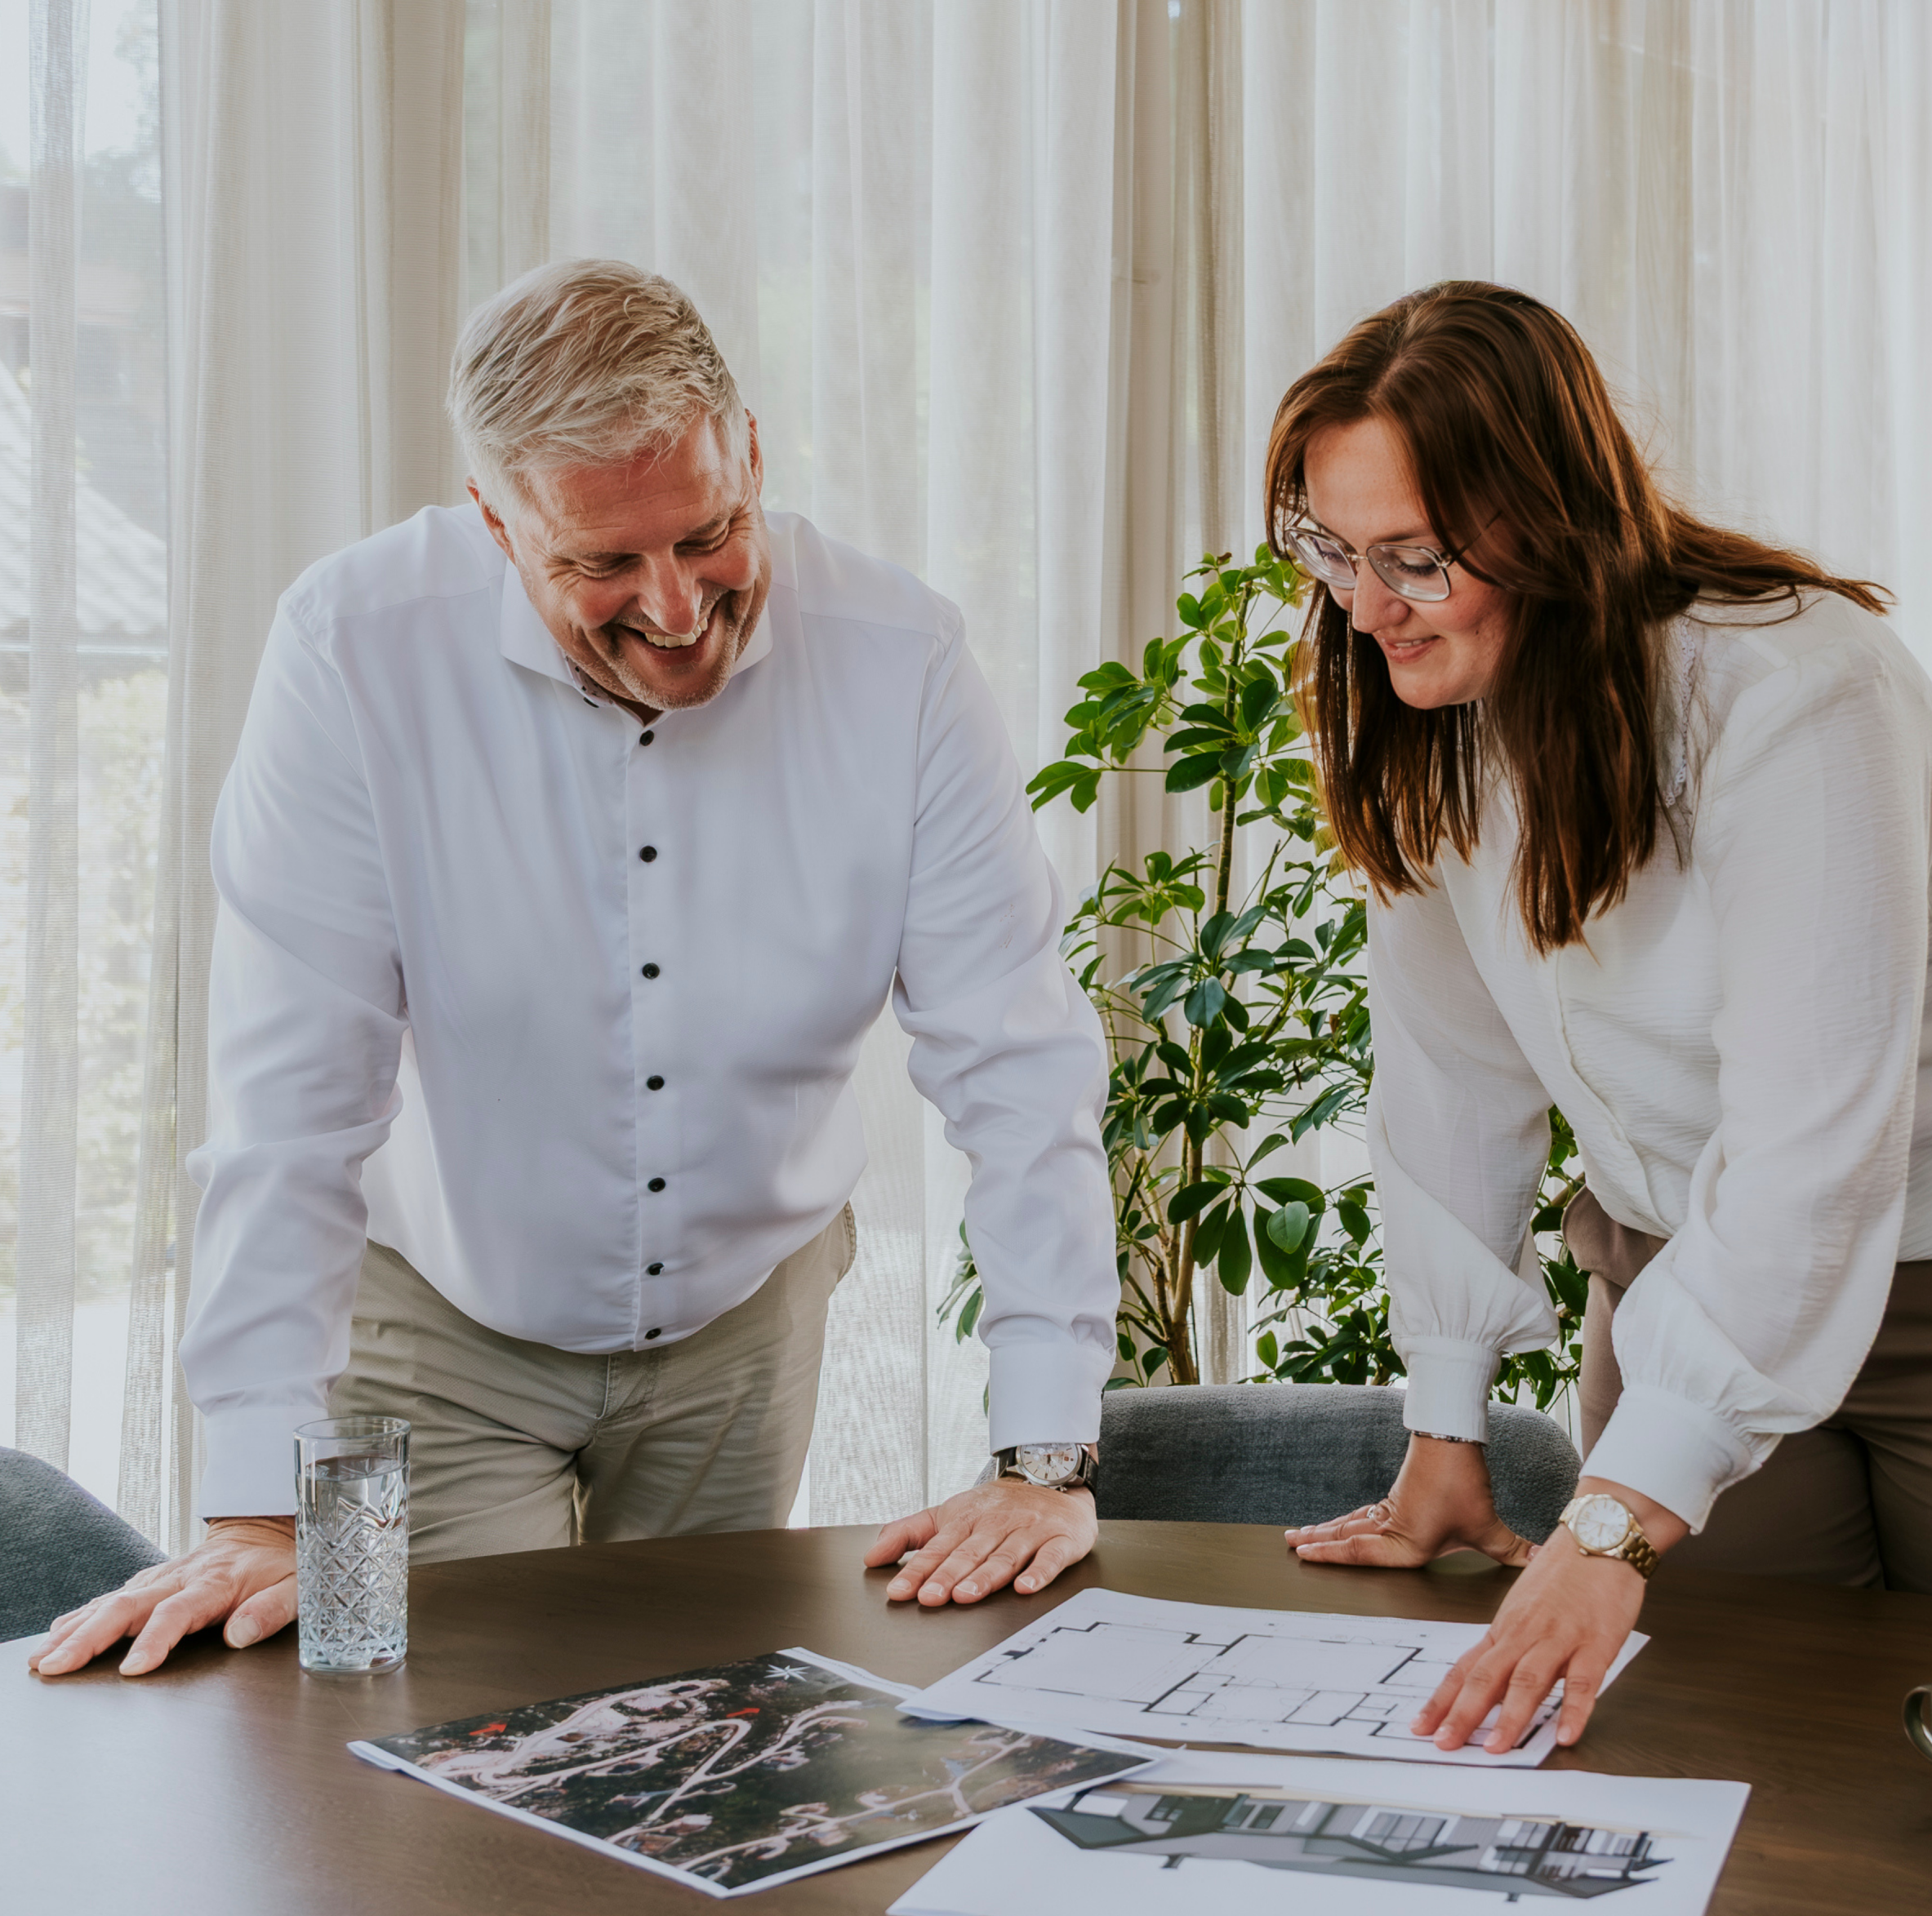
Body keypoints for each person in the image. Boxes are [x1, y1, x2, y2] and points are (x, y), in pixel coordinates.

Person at [32, 260, 1119, 1682]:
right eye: (602, 564)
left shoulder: (900, 658)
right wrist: (254, 1506)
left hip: (748, 1314)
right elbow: (291, 1106)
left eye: (711, 533)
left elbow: (1016, 1058)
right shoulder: (351, 652)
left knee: (708, 1730)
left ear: (753, 455)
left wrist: (1042, 1454)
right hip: (441, 1318)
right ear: (495, 522)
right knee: (456, 1747)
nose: (676, 609)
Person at [1270, 281, 1932, 1754]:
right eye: (1330, 546)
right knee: (1726, 1753)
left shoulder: (1794, 691)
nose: (1365, 602)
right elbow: (1450, 1082)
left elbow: (1814, 1150)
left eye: (1415, 557)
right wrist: (1445, 1423)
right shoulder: (1415, 702)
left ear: (1545, 523)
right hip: (1686, 1287)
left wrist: (1611, 1525)